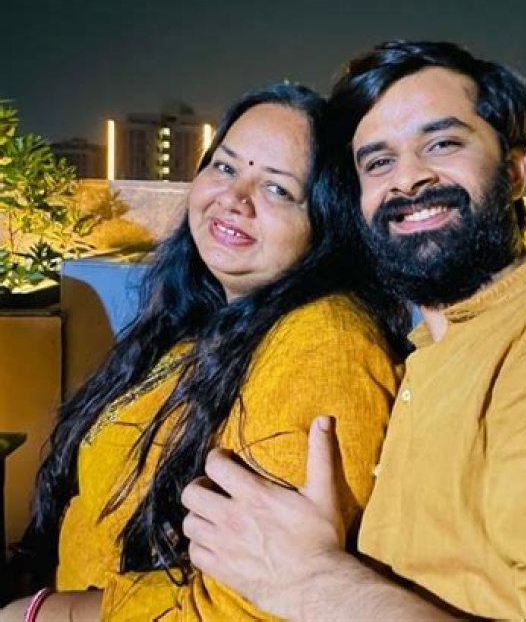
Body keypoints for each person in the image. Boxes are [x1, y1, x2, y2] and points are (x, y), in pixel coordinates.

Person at [181, 41, 526, 621]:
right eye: (378, 162)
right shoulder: (430, 353)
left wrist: (313, 582)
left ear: (514, 170)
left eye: (442, 144)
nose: (409, 178)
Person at [1, 83, 408, 621]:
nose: (234, 198)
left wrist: (38, 613)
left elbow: (249, 606)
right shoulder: (207, 322)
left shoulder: (325, 342)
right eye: (224, 166)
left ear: (329, 221)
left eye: (278, 189)